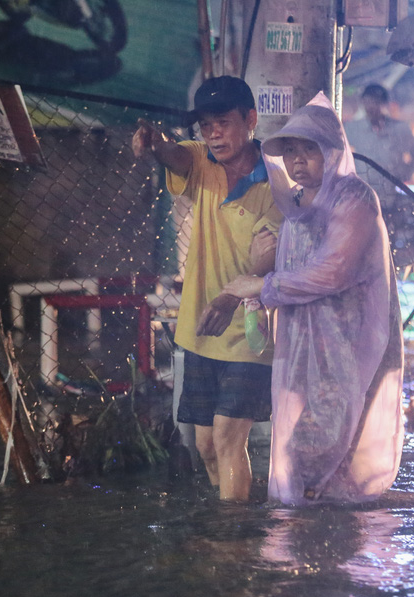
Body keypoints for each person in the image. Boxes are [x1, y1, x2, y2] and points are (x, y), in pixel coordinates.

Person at [201, 92, 404, 505]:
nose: (297, 161)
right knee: (315, 449)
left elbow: (333, 271)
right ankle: (322, 542)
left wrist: (261, 287)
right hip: (302, 346)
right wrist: (253, 295)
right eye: (291, 151)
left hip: (346, 346)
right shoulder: (294, 202)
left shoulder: (354, 198)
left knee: (319, 446)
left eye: (308, 150)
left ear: (332, 152)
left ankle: (317, 544)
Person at [132, 76, 283, 501]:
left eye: (223, 122)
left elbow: (268, 259)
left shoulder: (274, 183)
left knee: (227, 440)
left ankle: (231, 543)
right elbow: (173, 154)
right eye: (205, 125)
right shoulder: (201, 161)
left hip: (248, 333)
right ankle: (233, 526)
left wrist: (235, 291)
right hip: (199, 327)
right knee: (204, 446)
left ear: (250, 120)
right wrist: (154, 140)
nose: (213, 133)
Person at [344, 83, 414, 211]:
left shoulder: (399, 129)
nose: (371, 107)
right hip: (362, 194)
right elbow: (342, 152)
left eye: (375, 102)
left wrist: (406, 172)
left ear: (384, 104)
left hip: (391, 193)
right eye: (367, 102)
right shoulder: (354, 128)